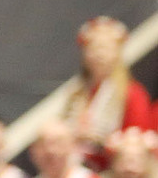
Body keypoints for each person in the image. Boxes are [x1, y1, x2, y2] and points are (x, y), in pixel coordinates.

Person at [63, 15, 150, 169]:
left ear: (117, 53)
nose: (99, 55)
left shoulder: (132, 93)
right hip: (75, 167)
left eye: (105, 48)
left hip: (112, 170)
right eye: (93, 48)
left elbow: (136, 142)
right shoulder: (76, 93)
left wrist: (100, 141)